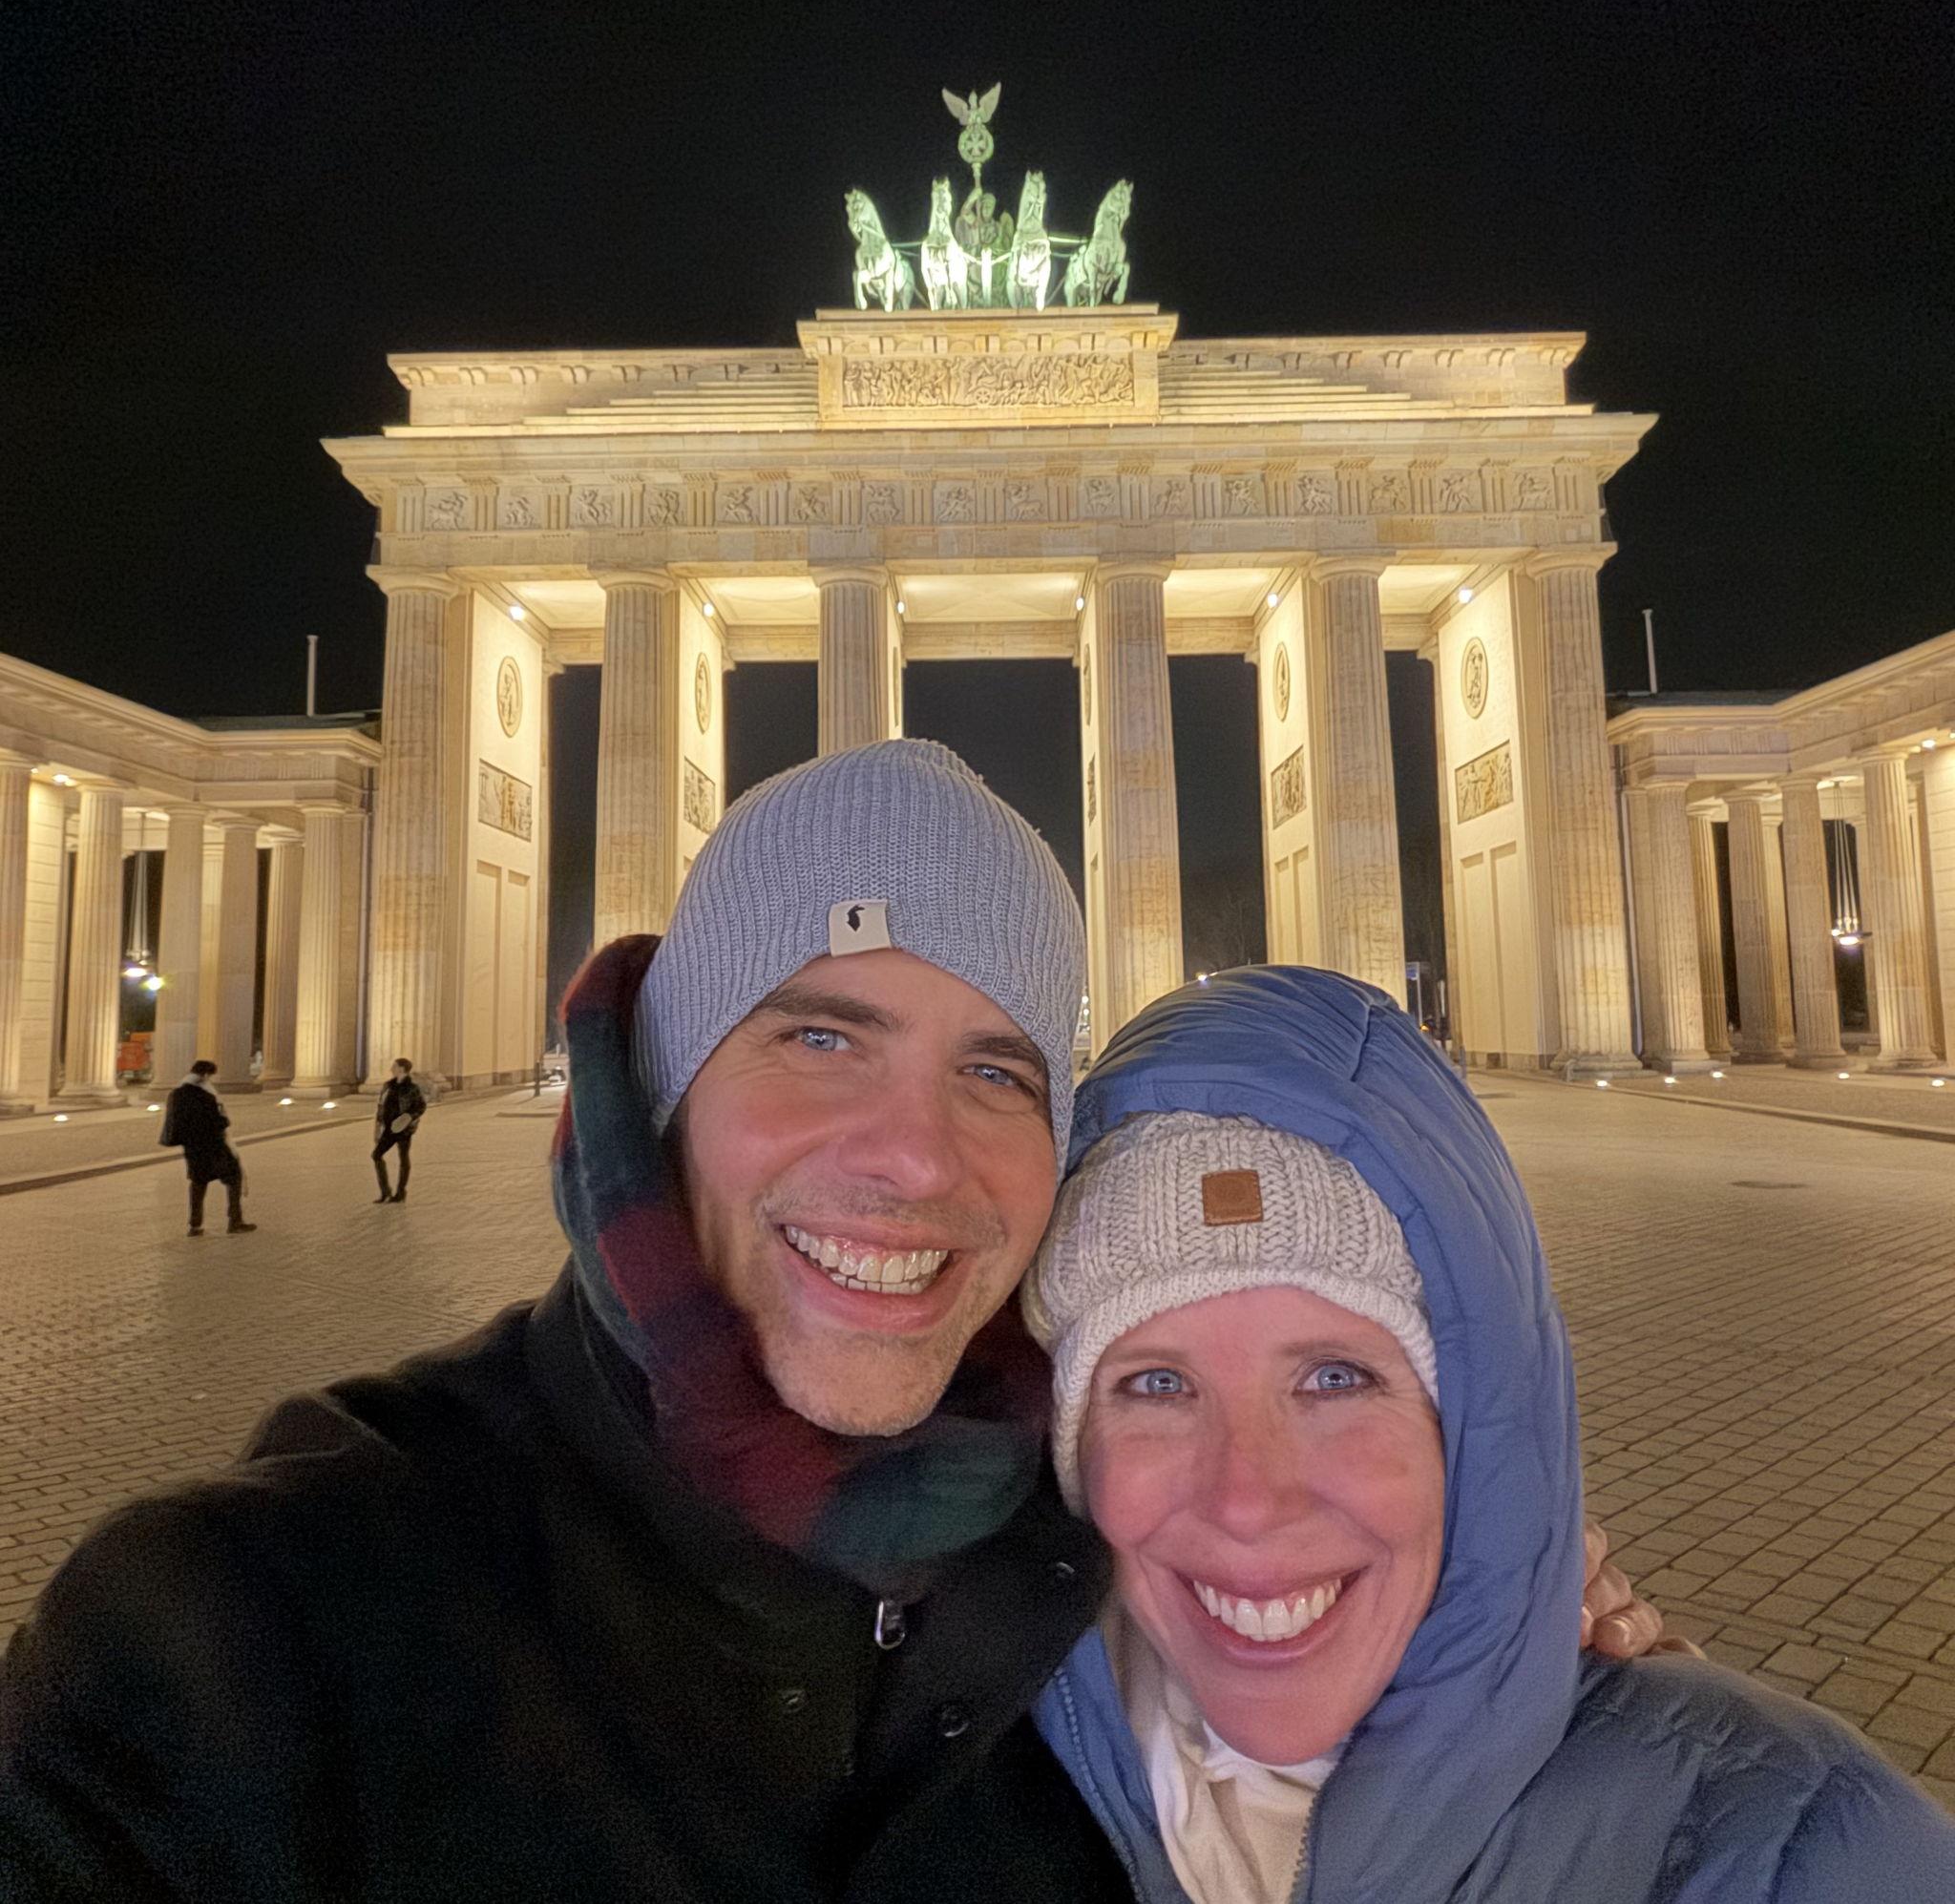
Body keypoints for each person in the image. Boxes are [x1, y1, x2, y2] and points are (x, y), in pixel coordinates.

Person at [0, 742, 1660, 1902]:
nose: (913, 1156)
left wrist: (1498, 1618)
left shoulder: (1128, 1589)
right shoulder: (254, 1624)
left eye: (998, 1070)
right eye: (816, 1038)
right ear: (655, 1089)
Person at [1027, 964, 1955, 1902]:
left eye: (1336, 1377)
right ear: (1064, 1439)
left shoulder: (1797, 1853)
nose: (1246, 1499)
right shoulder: (953, 1773)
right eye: (1152, 1383)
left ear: (1476, 1421)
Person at [157, 1058, 256, 1237]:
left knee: (198, 1183)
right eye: (210, 1075)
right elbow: (219, 1121)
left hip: (192, 1149)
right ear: (205, 1074)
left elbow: (174, 1123)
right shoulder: (206, 1095)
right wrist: (224, 1121)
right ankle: (235, 1221)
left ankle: (195, 1225)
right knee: (234, 1178)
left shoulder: (177, 1094)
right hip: (215, 1146)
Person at [371, 1057, 426, 1203]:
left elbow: (421, 1107)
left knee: (403, 1158)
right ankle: (385, 1192)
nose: (391, 1069)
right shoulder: (388, 1086)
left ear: (402, 1069)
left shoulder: (412, 1088)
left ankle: (400, 1192)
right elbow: (380, 1106)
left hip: (403, 1129)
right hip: (388, 1128)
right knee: (376, 1155)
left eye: (394, 1066)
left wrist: (408, 1117)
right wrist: (377, 1126)